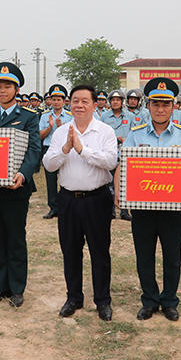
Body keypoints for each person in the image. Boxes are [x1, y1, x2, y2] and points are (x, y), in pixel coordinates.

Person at [116, 78, 181, 321]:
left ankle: (169, 301)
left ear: (173, 106)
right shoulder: (135, 135)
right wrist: (119, 193)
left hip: (174, 209)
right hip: (143, 208)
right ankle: (150, 300)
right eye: (156, 104)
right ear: (148, 106)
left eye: (166, 104)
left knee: (172, 256)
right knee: (144, 255)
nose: (161, 109)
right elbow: (122, 166)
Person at [43, 84, 118, 321]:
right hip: (68, 200)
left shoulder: (104, 131)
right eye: (75, 100)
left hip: (97, 199)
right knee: (70, 251)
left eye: (85, 101)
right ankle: (73, 297)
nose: (79, 105)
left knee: (100, 251)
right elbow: (48, 165)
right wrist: (65, 149)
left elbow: (110, 161)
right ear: (69, 104)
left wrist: (82, 150)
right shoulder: (60, 132)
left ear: (95, 105)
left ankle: (102, 300)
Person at [0, 63, 41, 308]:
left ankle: (17, 288)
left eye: (8, 86)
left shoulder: (28, 117)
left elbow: (34, 151)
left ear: (17, 89)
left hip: (16, 188)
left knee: (15, 237)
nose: (3, 91)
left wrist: (23, 174)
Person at [98, 89, 135, 221]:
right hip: (110, 152)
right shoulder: (105, 117)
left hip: (125, 153)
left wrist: (127, 139)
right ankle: (111, 210)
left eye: (118, 100)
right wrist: (115, 138)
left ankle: (124, 211)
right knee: (109, 182)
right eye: (113, 100)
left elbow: (134, 133)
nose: (115, 102)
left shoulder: (130, 116)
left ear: (122, 102)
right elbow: (100, 134)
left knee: (125, 182)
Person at [39, 84, 73, 219]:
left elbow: (73, 134)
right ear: (50, 100)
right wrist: (50, 127)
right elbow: (40, 135)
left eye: (59, 99)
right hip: (49, 149)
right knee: (51, 180)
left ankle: (66, 206)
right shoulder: (45, 116)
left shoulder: (70, 116)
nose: (56, 102)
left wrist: (61, 127)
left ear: (64, 101)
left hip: (66, 149)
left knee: (66, 177)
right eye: (54, 99)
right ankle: (53, 208)